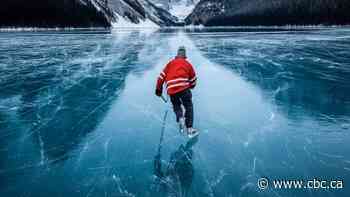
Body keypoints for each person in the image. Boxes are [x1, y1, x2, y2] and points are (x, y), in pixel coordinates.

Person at [155, 46, 198, 137]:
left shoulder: (170, 64)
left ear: (177, 55)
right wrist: (191, 86)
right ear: (185, 56)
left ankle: (180, 118)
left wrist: (158, 90)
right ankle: (190, 129)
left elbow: (161, 77)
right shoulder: (187, 64)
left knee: (176, 105)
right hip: (184, 88)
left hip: (171, 89)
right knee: (188, 106)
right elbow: (193, 79)